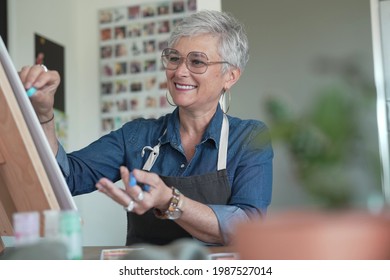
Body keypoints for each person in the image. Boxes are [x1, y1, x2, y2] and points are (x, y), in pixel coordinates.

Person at [19, 10, 273, 246]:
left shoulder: (249, 138)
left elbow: (247, 225)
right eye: (174, 59)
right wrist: (43, 114)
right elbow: (65, 179)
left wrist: (170, 201)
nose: (180, 71)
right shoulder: (137, 136)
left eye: (197, 62)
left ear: (230, 76)